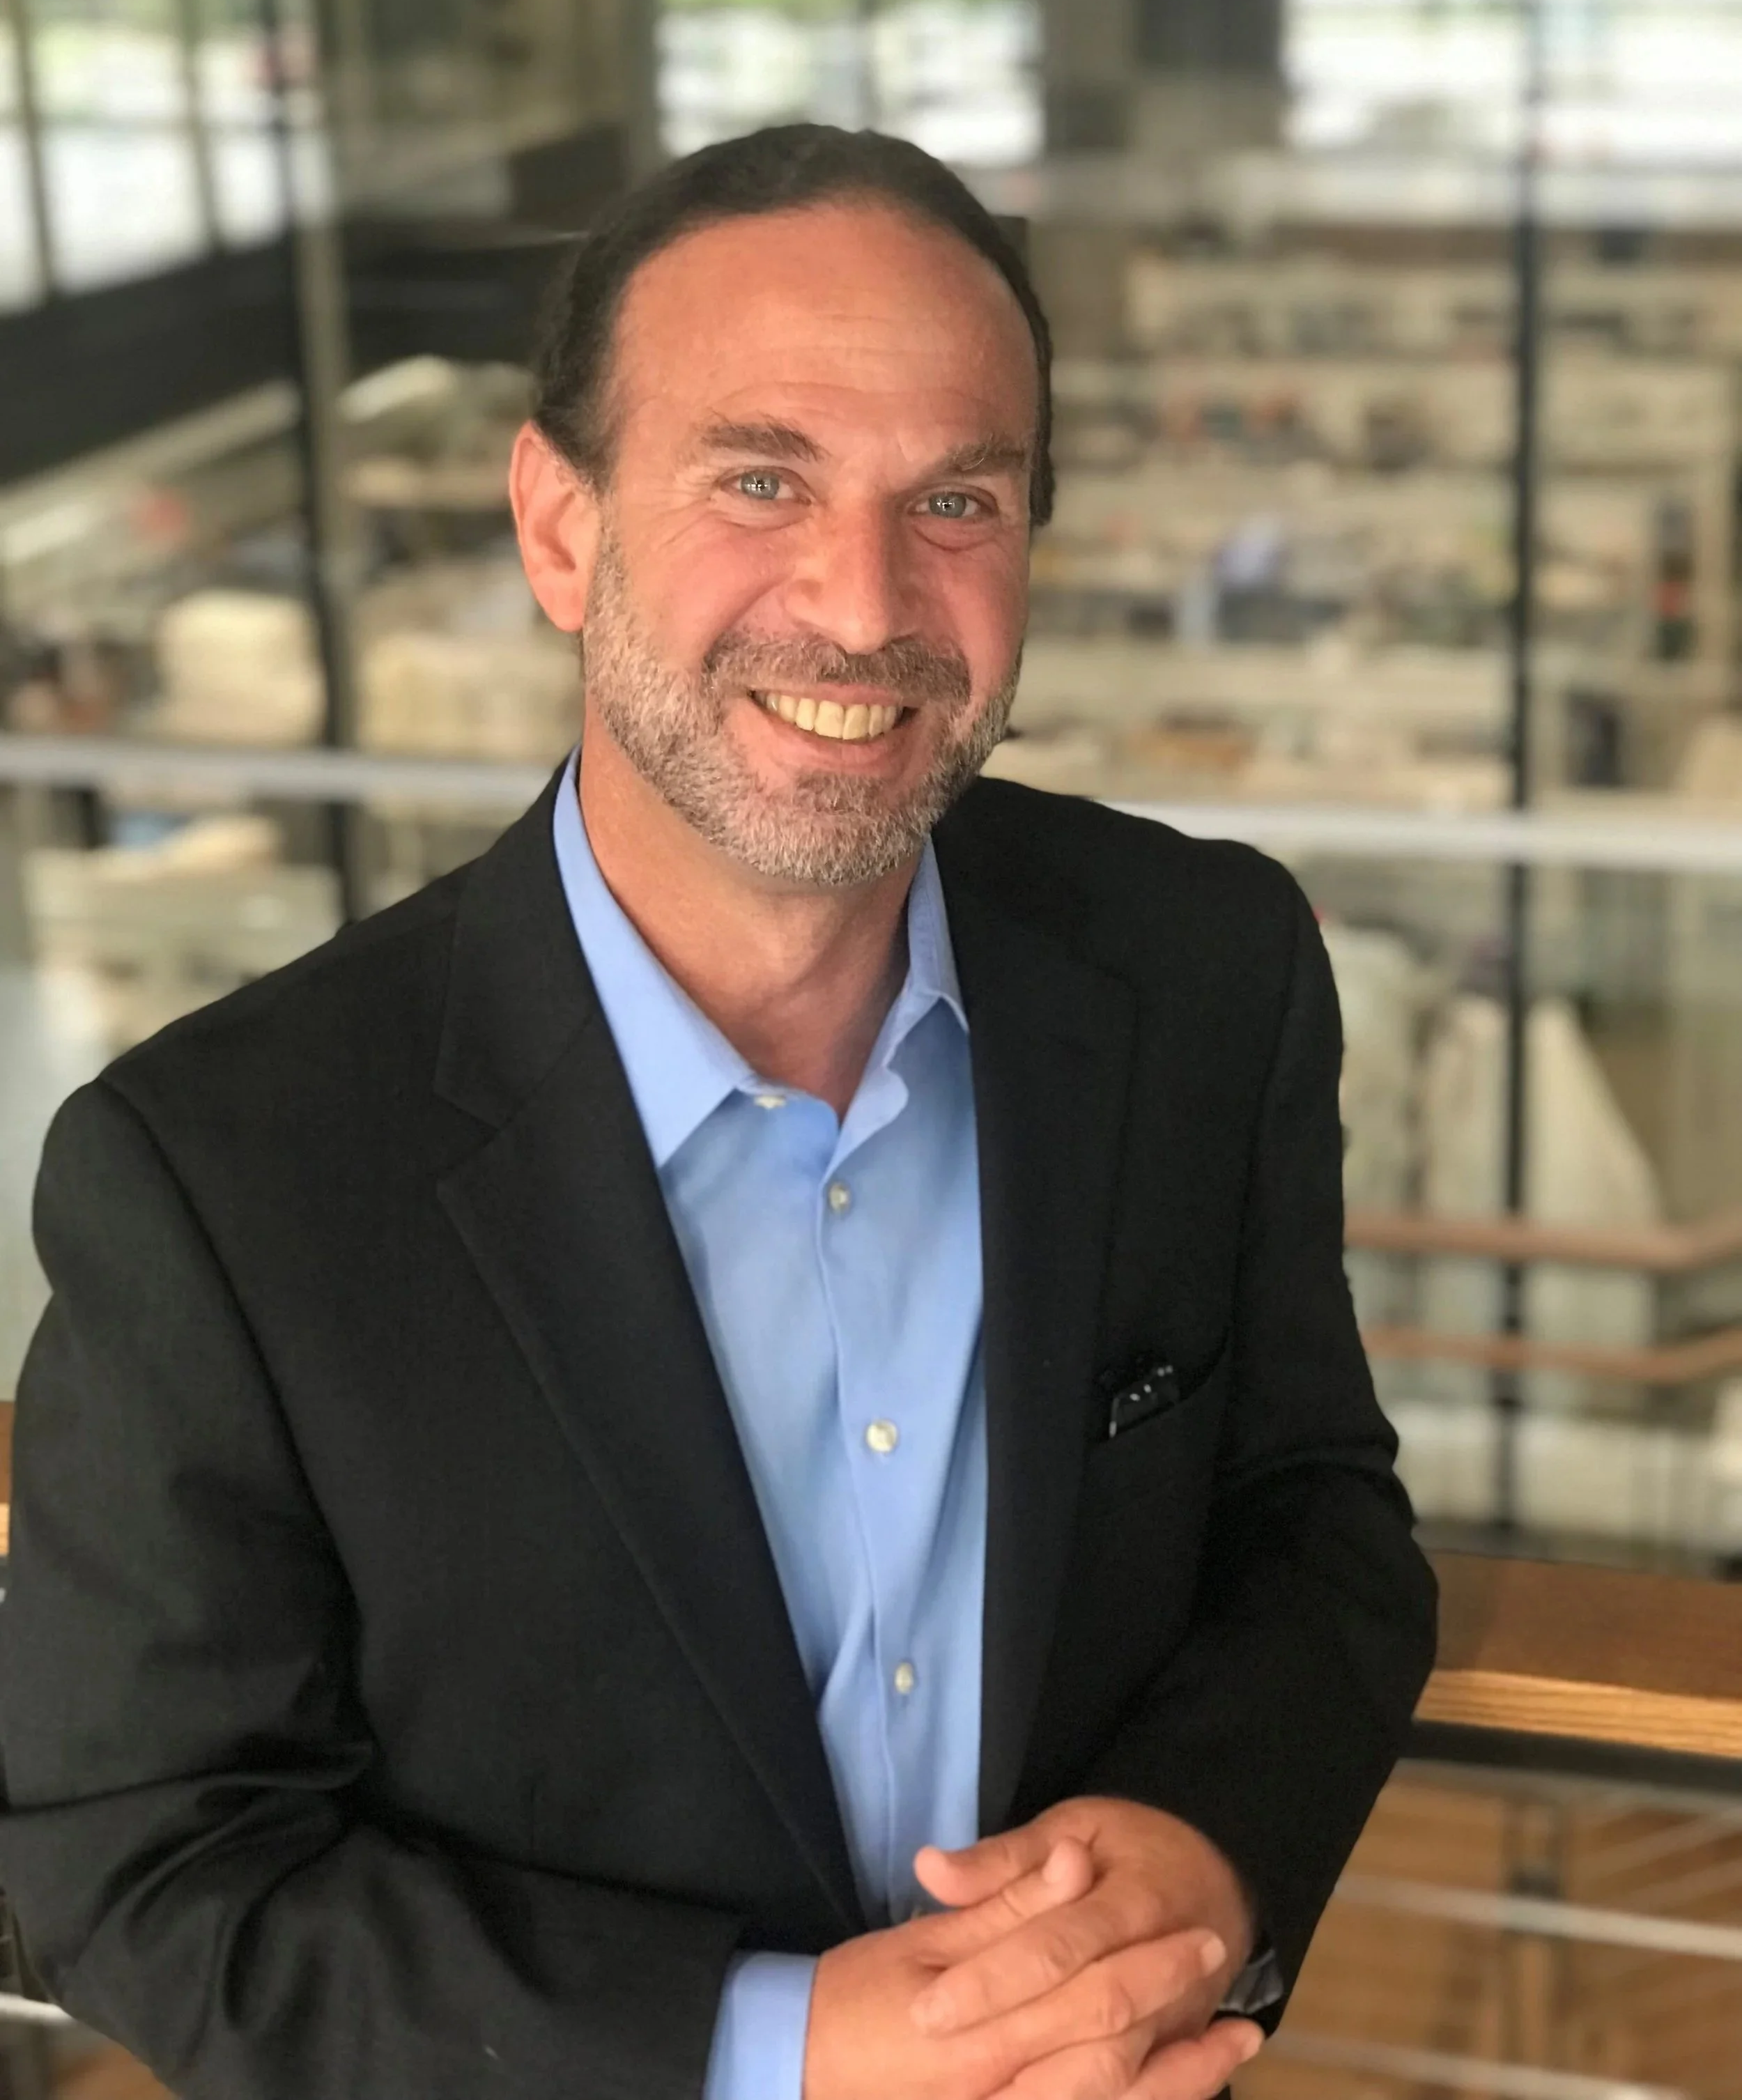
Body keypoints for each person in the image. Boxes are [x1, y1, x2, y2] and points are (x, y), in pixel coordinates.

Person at [0, 125, 1437, 2100]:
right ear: (558, 527)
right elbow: (152, 1860)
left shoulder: (1205, 968)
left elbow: (1313, 1517)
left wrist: (1203, 1852)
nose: (861, 604)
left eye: (956, 498)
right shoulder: (222, 1176)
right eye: (760, 479)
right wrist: (778, 2051)